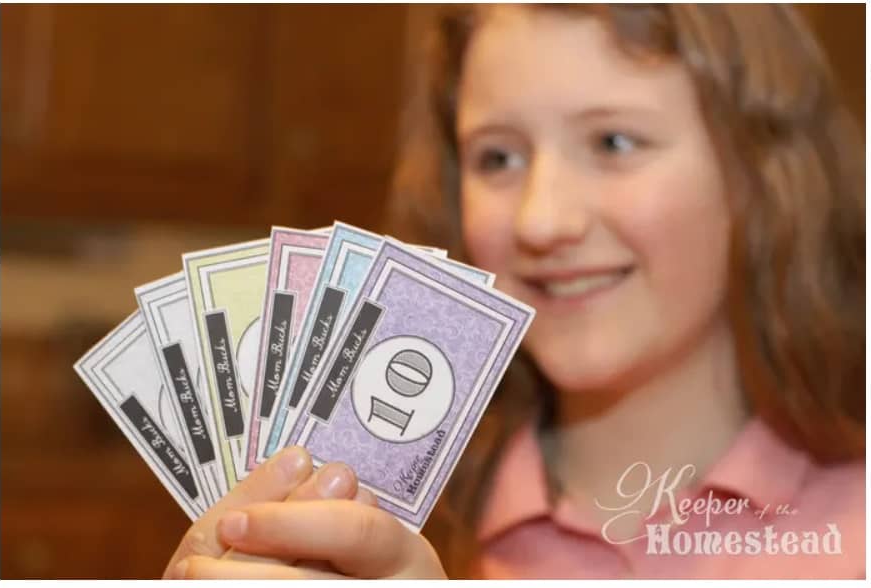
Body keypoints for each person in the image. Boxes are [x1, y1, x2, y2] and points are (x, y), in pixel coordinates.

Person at [163, 4, 865, 579]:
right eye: (497, 157)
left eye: (615, 143)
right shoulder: (351, 512)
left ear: (760, 173)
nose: (541, 220)